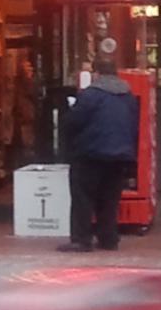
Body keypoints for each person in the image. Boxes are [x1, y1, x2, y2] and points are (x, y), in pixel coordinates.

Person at [59, 36, 139, 254]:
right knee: (109, 199)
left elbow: (73, 121)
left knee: (83, 196)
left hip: (91, 153)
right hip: (120, 155)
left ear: (96, 74)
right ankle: (108, 238)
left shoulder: (91, 95)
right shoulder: (128, 95)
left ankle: (81, 239)